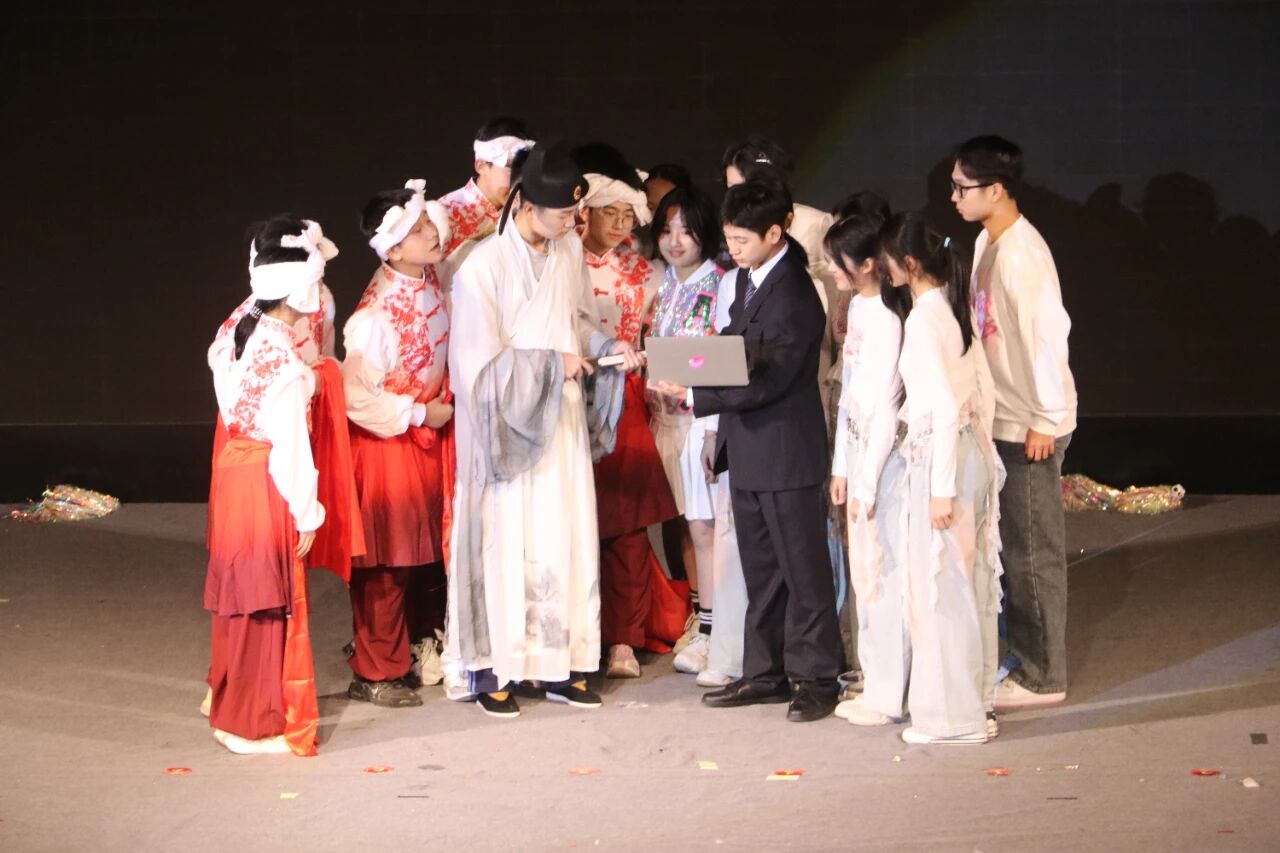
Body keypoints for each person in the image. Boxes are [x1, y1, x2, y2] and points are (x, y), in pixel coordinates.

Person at [444, 140, 638, 718]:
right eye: (563, 214)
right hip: (506, 430)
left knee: (565, 534)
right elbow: (476, 369)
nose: (574, 224)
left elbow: (575, 321)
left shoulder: (568, 251)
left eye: (576, 213)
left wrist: (606, 346)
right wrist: (555, 365)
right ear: (527, 204)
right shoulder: (482, 267)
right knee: (507, 541)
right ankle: (494, 670)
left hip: (561, 421)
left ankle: (564, 665)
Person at [657, 181, 840, 723]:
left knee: (802, 570)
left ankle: (817, 679)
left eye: (742, 240)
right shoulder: (747, 279)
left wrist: (695, 393)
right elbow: (732, 350)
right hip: (750, 446)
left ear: (775, 233)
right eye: (730, 239)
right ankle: (767, 672)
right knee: (762, 569)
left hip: (787, 450)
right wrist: (686, 368)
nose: (733, 250)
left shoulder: (795, 292)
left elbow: (773, 378)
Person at [951, 135, 1077, 710]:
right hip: (1001, 417)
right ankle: (1024, 656)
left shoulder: (1024, 255)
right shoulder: (987, 241)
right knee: (1011, 550)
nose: (954, 197)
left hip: (1031, 424)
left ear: (996, 189)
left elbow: (1048, 339)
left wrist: (1045, 420)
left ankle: (1043, 676)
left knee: (1031, 552)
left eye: (963, 187)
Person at [205, 216, 337, 755]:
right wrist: (308, 513)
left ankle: (233, 708)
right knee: (263, 603)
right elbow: (290, 449)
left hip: (236, 473)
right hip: (264, 480)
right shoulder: (281, 358)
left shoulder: (238, 328)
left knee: (241, 599)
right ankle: (251, 723)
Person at [880, 211, 1003, 745]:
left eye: (889, 260)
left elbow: (946, 409)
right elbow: (980, 392)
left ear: (908, 263)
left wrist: (941, 489)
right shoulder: (951, 309)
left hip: (943, 459)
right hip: (964, 452)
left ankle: (955, 719)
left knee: (942, 588)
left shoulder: (925, 320)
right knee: (964, 585)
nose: (884, 269)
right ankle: (974, 703)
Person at [341, 180, 455, 708]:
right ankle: (374, 671)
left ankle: (417, 644)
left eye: (429, 223)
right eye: (418, 230)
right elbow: (357, 398)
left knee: (425, 555)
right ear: (391, 249)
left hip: (428, 434)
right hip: (388, 444)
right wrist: (418, 412)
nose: (432, 233)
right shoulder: (375, 317)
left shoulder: (429, 276)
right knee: (386, 565)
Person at [577, 151, 684, 678]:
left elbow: (662, 331)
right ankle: (577, 636)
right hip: (570, 394)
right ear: (586, 213)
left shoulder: (644, 271)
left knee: (626, 524)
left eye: (627, 214)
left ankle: (624, 637)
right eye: (610, 213)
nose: (620, 224)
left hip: (624, 401)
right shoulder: (562, 263)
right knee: (573, 523)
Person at [824, 212, 913, 727]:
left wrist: (866, 481)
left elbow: (883, 407)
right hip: (857, 452)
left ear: (865, 264)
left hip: (883, 461)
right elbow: (851, 396)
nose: (832, 270)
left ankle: (889, 692)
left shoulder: (887, 319)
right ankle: (875, 683)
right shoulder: (858, 307)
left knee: (883, 573)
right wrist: (841, 465)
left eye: (838, 262)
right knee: (865, 573)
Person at [645, 186, 736, 684]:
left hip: (701, 421)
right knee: (686, 526)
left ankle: (714, 630)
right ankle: (702, 618)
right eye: (667, 230)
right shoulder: (664, 286)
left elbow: (723, 361)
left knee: (706, 527)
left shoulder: (719, 284)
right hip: (665, 420)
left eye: (686, 231)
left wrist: (712, 425)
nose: (675, 241)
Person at [437, 117, 536, 290]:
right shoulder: (447, 213)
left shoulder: (527, 210)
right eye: (511, 167)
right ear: (481, 165)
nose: (520, 179)